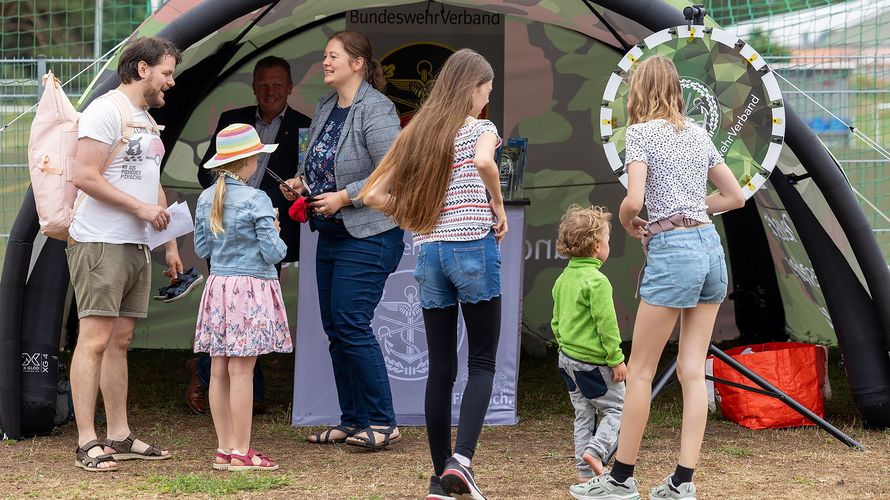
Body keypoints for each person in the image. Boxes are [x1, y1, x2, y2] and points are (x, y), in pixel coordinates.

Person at [574, 56, 745, 500]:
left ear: (639, 90)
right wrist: (689, 208)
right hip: (710, 250)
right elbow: (735, 196)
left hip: (674, 254)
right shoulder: (698, 133)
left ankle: (620, 479)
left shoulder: (641, 134)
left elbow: (632, 201)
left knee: (642, 371)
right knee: (692, 371)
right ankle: (682, 483)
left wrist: (634, 220)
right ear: (676, 89)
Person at [359, 48, 507, 500]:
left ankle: (437, 477)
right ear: (472, 88)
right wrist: (497, 210)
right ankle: (461, 461)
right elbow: (484, 163)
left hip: (428, 254)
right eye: (486, 90)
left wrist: (414, 215)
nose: (487, 99)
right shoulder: (481, 127)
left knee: (440, 369)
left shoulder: (416, 133)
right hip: (472, 248)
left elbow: (371, 194)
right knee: (481, 361)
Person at [280, 30, 404, 450]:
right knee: (337, 328)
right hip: (331, 233)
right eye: (325, 56)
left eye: (333, 56)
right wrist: (301, 182)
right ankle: (353, 420)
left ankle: (384, 423)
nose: (325, 62)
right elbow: (315, 161)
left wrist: (345, 196)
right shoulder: (326, 105)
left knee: (351, 323)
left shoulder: (378, 108)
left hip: (370, 234)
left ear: (358, 63)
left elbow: (392, 170)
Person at [68, 36, 182, 472]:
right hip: (100, 240)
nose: (170, 82)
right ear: (142, 69)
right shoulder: (105, 110)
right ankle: (85, 442)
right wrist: (139, 210)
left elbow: (151, 181)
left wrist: (168, 240)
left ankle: (118, 434)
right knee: (94, 340)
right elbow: (83, 175)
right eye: (166, 73)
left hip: (135, 243)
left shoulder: (146, 120)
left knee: (121, 340)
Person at [187, 56, 312, 415]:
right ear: (254, 87)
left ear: (290, 88)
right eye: (263, 84)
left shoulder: (305, 126)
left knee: (253, 317)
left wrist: (284, 197)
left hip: (274, 232)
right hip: (229, 232)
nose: (270, 91)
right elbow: (204, 172)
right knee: (228, 317)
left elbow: (311, 177)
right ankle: (211, 377)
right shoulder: (232, 121)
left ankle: (248, 394)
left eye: (277, 84)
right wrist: (230, 200)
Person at [194, 123, 293, 471]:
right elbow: (274, 252)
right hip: (249, 290)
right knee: (242, 372)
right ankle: (241, 451)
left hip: (219, 287)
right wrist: (277, 231)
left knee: (219, 369)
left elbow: (201, 247)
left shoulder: (207, 197)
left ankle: (224, 449)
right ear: (250, 161)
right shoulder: (257, 199)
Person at [551, 206, 626, 488]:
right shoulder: (597, 281)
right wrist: (616, 359)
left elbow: (556, 322)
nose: (608, 245)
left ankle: (584, 472)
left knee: (583, 414)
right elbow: (607, 325)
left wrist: (565, 348)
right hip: (594, 365)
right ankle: (597, 452)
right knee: (622, 410)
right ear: (597, 246)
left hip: (567, 361)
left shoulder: (562, 280)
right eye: (607, 241)